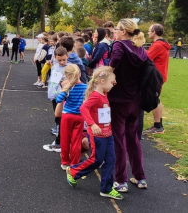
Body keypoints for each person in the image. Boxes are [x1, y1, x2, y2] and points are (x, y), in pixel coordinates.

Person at [66, 66, 122, 200]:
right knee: (96, 160)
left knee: (110, 160)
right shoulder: (96, 96)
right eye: (111, 82)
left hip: (108, 135)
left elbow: (108, 83)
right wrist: (92, 124)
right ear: (102, 82)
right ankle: (73, 171)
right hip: (97, 136)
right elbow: (83, 108)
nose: (113, 85)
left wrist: (112, 77)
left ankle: (107, 189)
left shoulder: (104, 93)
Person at [109, 18, 148, 192]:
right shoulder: (140, 49)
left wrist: (107, 73)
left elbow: (115, 60)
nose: (114, 32)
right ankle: (140, 177)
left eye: (116, 29)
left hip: (119, 101)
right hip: (135, 100)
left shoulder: (119, 45)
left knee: (119, 140)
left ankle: (121, 180)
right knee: (133, 140)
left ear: (124, 31)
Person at [56, 64, 88, 170]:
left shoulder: (68, 87)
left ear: (67, 76)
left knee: (65, 140)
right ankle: (74, 163)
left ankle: (65, 162)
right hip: (79, 116)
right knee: (76, 140)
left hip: (67, 116)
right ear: (79, 74)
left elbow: (59, 99)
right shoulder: (85, 87)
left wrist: (64, 91)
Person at [143, 24, 171, 134]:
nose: (148, 33)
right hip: (160, 74)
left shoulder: (158, 45)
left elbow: (146, 58)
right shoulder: (161, 44)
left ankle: (158, 126)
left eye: (149, 31)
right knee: (156, 98)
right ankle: (158, 124)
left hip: (156, 76)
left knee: (155, 99)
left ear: (154, 31)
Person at [43, 47, 69, 152]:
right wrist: (52, 95)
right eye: (59, 60)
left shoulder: (70, 68)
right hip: (56, 97)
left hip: (65, 97)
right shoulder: (54, 67)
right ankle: (60, 141)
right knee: (58, 118)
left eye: (64, 59)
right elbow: (53, 84)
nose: (62, 62)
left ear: (67, 56)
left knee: (61, 119)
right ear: (55, 58)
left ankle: (59, 143)